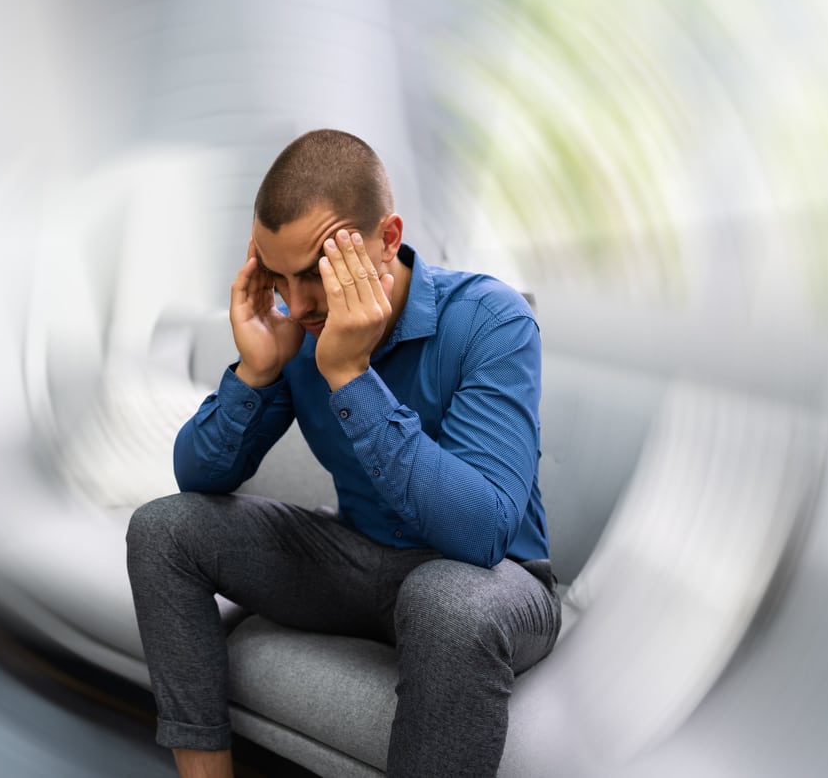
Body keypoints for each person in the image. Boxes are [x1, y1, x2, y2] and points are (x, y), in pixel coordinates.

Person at [126, 129, 560, 778]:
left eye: (314, 275)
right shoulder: (294, 330)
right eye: (277, 276)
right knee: (162, 530)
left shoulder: (491, 320)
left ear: (387, 240)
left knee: (445, 602)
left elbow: (483, 532)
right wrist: (256, 369)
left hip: (492, 580)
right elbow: (198, 473)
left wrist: (352, 376)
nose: (296, 305)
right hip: (355, 558)